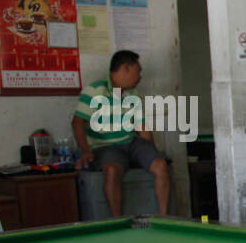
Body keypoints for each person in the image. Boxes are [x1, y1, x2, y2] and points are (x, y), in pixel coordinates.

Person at [72, 49, 171, 216]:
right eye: (138, 71)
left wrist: (154, 152)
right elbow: (77, 122)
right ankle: (117, 221)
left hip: (131, 143)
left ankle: (164, 217)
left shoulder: (133, 94)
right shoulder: (95, 90)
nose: (140, 78)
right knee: (111, 170)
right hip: (105, 146)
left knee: (160, 165)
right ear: (125, 68)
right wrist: (86, 151)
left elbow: (142, 128)